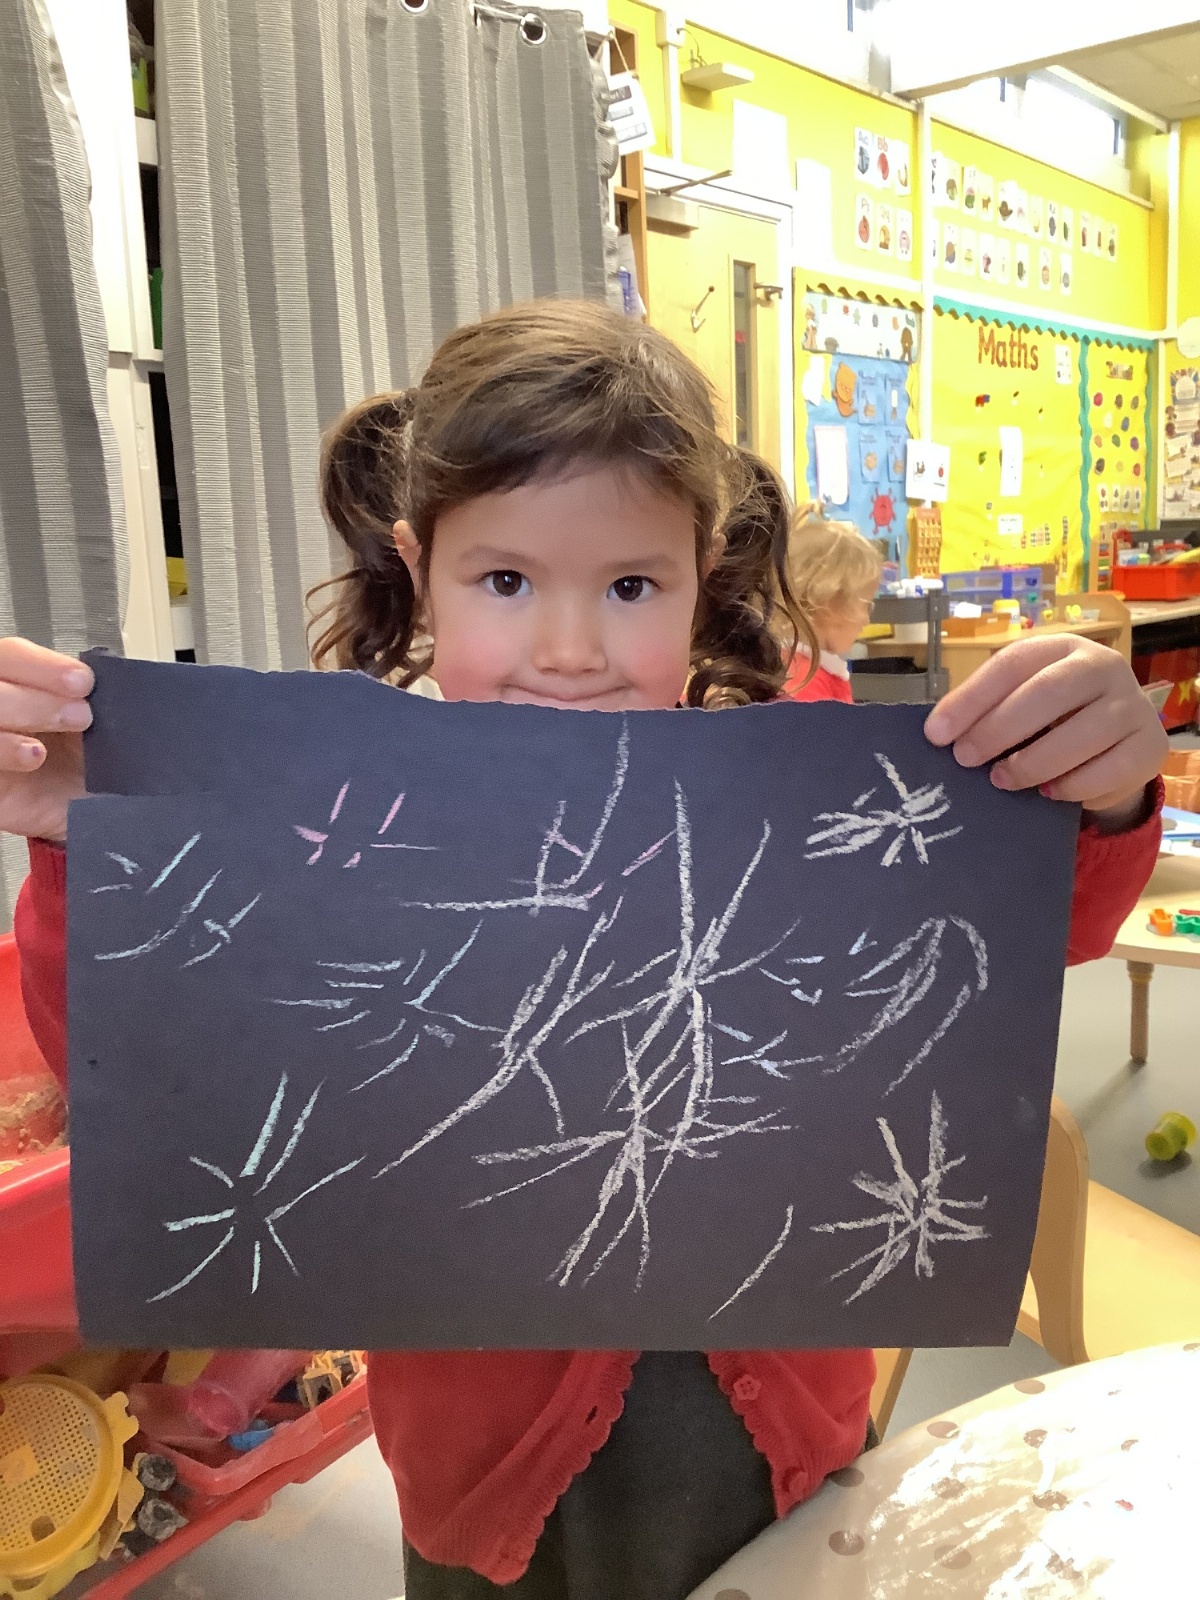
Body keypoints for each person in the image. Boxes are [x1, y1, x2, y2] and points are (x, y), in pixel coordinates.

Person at [0, 302, 1166, 1600]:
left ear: (702, 574)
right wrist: (82, 850)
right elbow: (156, 1068)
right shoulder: (350, 825)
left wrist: (1103, 788)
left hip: (763, 1433)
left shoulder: (792, 788)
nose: (568, 653)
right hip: (476, 1449)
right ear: (419, 568)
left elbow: (1019, 934)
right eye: (504, 582)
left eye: (629, 587)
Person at [781, 507, 883, 704]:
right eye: (865, 606)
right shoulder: (804, 685)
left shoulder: (806, 669)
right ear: (829, 603)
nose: (866, 620)